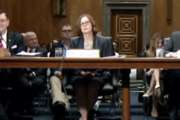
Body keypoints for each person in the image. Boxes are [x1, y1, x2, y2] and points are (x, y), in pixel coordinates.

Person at [70, 14, 114, 120]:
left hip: (97, 74)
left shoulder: (104, 41)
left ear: (92, 24)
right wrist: (81, 72)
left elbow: (108, 62)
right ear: (80, 27)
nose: (85, 25)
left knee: (93, 84)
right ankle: (84, 117)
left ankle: (87, 114)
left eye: (87, 22)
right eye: (82, 23)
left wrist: (95, 72)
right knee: (79, 83)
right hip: (80, 74)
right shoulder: (75, 42)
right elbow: (70, 62)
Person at [8, 32, 47, 118]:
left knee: (35, 83)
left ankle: (24, 107)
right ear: (25, 42)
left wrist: (32, 74)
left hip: (37, 75)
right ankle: (22, 108)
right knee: (20, 81)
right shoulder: (20, 50)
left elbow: (43, 68)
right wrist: (26, 74)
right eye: (31, 39)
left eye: (35, 39)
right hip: (23, 75)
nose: (34, 41)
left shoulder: (42, 50)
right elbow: (17, 65)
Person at [0, 10, 25, 120]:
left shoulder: (17, 37)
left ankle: (12, 111)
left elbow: (21, 55)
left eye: (2, 20)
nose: (0, 23)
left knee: (21, 80)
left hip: (13, 74)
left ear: (8, 22)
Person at [49, 24, 73, 120]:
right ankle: (60, 104)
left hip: (73, 74)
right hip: (58, 74)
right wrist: (55, 71)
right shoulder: (56, 47)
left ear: (72, 33)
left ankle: (62, 105)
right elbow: (50, 63)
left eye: (69, 31)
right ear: (61, 33)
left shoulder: (77, 45)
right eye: (64, 31)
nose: (67, 33)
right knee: (53, 79)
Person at [143, 32, 164, 117]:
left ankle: (151, 91)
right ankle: (154, 108)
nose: (160, 45)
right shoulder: (148, 53)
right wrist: (151, 69)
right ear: (153, 43)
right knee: (155, 73)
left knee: (156, 70)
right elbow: (145, 69)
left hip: (162, 75)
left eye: (161, 43)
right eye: (158, 43)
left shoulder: (163, 52)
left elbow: (164, 67)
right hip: (150, 76)